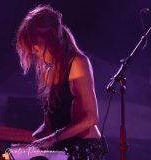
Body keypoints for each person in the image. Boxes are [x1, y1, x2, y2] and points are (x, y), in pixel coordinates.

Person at [15, 4, 105, 160]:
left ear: (53, 36)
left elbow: (91, 117)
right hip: (60, 149)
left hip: (83, 149)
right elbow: (48, 126)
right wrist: (28, 143)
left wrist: (52, 139)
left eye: (37, 49)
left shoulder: (78, 62)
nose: (37, 54)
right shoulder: (47, 70)